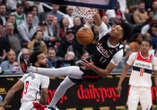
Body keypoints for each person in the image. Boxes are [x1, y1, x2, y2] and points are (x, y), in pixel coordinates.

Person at [24, 14, 132, 109]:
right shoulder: (104, 32)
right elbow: (96, 15)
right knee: (64, 84)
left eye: (118, 30)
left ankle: (30, 68)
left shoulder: (118, 52)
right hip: (88, 64)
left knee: (61, 71)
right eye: (115, 27)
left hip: (94, 73)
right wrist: (90, 11)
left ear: (122, 36)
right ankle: (52, 106)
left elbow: (106, 73)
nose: (113, 29)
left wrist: (91, 67)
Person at [117, 40, 157, 110]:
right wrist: (119, 83)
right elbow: (125, 70)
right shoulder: (134, 55)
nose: (144, 47)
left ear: (150, 47)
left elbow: (156, 76)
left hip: (146, 88)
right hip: (134, 87)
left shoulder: (154, 59)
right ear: (140, 46)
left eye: (146, 45)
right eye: (143, 45)